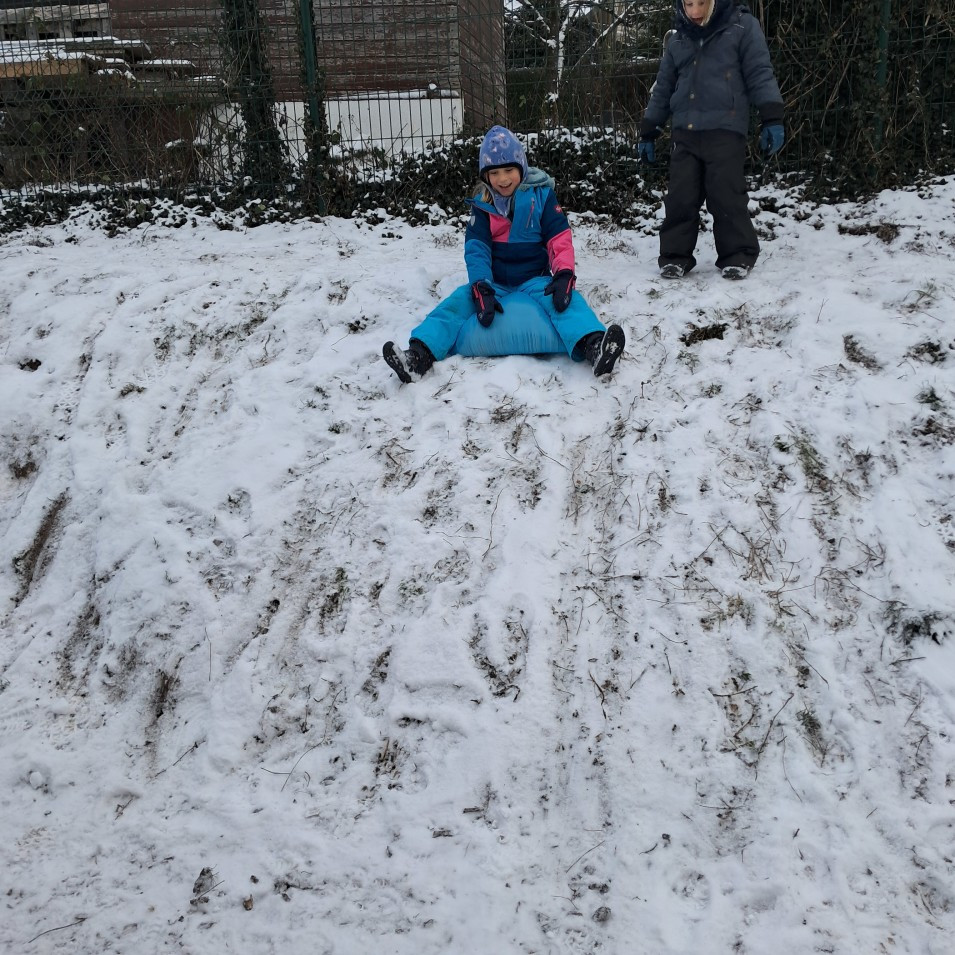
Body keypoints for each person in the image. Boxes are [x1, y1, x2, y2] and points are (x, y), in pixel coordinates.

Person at [383, 125, 625, 382]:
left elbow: (558, 238)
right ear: (486, 176)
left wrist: (564, 274)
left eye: (509, 170)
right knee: (454, 305)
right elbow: (477, 249)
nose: (503, 179)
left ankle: (596, 348)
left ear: (521, 167)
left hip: (536, 279)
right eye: (494, 173)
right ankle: (417, 357)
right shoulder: (482, 205)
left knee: (568, 304)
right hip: (495, 283)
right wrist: (481, 286)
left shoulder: (542, 196)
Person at [637, 0, 785, 280]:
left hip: (725, 129)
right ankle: (675, 257)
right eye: (689, 3)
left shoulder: (742, 27)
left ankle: (737, 254)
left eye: (701, 3)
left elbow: (759, 72)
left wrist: (772, 117)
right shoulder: (678, 38)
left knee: (726, 194)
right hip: (685, 131)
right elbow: (664, 86)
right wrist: (649, 130)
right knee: (680, 196)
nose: (694, 12)